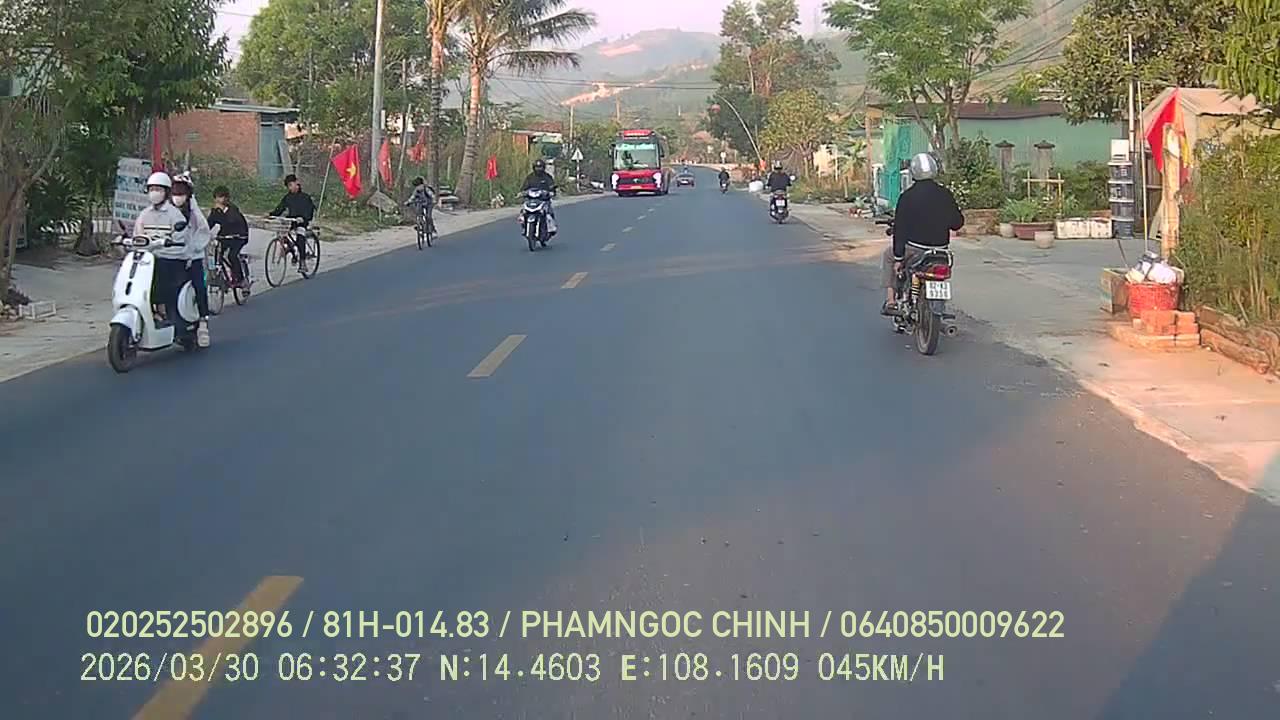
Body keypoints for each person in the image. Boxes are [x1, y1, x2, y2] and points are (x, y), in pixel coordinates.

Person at [881, 152, 964, 315]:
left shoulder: (907, 197)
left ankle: (891, 301)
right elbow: (957, 223)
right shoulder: (945, 194)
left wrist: (899, 258)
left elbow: (900, 230)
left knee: (888, 256)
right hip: (941, 251)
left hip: (915, 250)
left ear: (913, 172)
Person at [133, 172, 193, 340]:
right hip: (149, 258)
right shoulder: (144, 214)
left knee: (162, 283)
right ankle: (151, 313)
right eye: (151, 189)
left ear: (166, 192)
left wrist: (165, 245)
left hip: (171, 259)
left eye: (158, 189)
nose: (154, 193)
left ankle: (166, 314)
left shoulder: (174, 215)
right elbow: (138, 235)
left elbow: (181, 240)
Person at [169, 174, 213, 347]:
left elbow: (203, 232)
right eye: (175, 192)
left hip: (192, 257)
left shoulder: (195, 213)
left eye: (181, 192)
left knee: (199, 287)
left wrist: (191, 250)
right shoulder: (166, 210)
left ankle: (203, 323)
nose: (177, 196)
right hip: (172, 256)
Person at [207, 186, 250, 293]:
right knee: (217, 254)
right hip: (224, 236)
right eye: (217, 197)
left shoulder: (232, 209)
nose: (219, 200)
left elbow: (231, 221)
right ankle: (221, 276)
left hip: (239, 236)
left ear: (227, 198)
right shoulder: (215, 211)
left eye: (222, 197)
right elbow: (209, 224)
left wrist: (222, 210)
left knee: (232, 255)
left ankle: (241, 280)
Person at [269, 173, 316, 263]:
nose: (290, 188)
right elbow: (280, 208)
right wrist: (272, 215)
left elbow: (309, 211)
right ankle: (291, 250)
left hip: (302, 222)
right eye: (288, 186)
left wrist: (303, 218)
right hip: (292, 221)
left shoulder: (305, 197)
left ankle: (302, 261)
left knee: (300, 238)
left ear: (296, 182)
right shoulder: (288, 197)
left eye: (291, 185)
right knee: (283, 234)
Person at [519, 159, 558, 235]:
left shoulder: (547, 177)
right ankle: (524, 226)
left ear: (543, 167)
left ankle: (551, 227)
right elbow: (524, 187)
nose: (538, 169)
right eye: (537, 167)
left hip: (544, 200)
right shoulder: (530, 177)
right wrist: (522, 193)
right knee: (523, 212)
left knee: (549, 212)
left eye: (540, 167)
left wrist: (551, 192)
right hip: (531, 200)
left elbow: (552, 186)